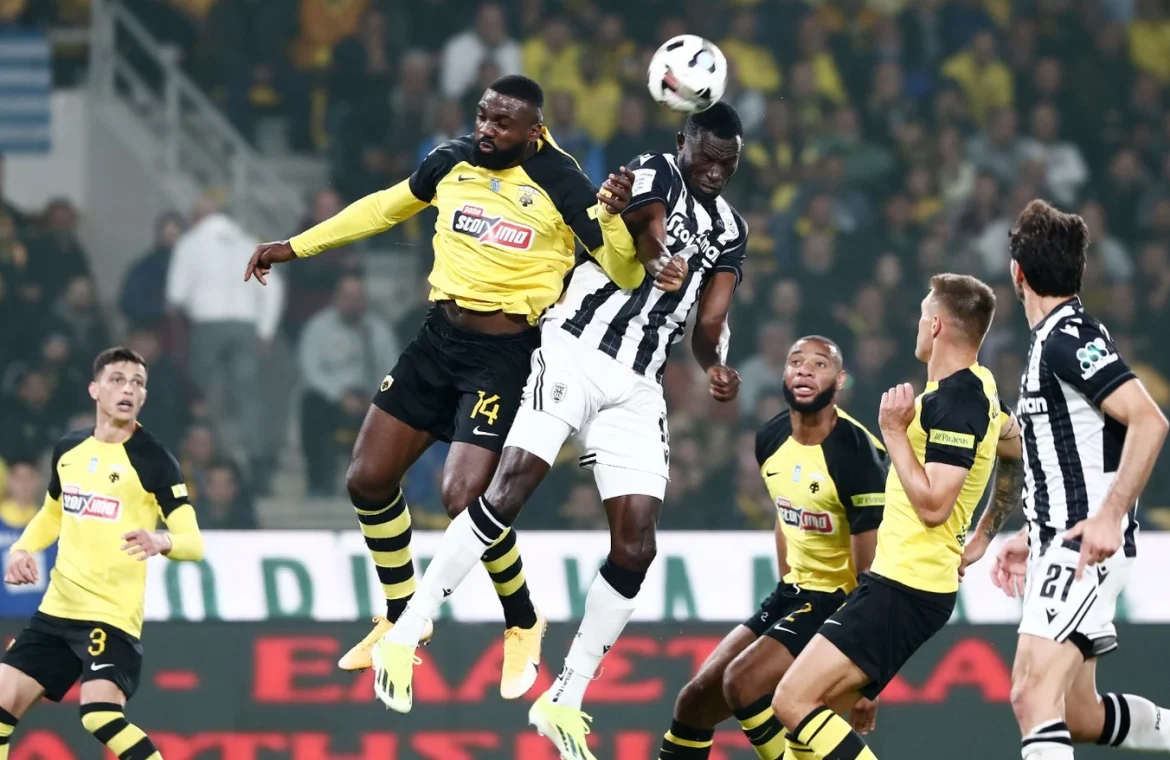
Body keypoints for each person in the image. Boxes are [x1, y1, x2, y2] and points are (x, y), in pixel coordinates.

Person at [244, 74, 673, 699]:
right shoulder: (451, 160)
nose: (486, 130)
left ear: (535, 131)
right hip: (438, 339)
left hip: (507, 354)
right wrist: (295, 246)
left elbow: (624, 270)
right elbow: (383, 208)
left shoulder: (562, 180)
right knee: (366, 479)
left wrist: (612, 219)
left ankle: (523, 621)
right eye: (482, 116)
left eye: (502, 123)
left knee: (463, 495)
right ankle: (401, 616)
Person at [370, 103, 745, 759]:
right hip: (575, 346)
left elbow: (710, 320)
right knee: (510, 486)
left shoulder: (733, 229)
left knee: (637, 546)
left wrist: (715, 363)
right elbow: (646, 229)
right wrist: (661, 259)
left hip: (638, 382)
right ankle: (407, 630)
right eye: (707, 156)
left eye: (728, 163)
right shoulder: (652, 169)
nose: (715, 171)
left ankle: (564, 697)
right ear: (683, 142)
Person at [770, 274, 1022, 760]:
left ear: (936, 325)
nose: (917, 325)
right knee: (809, 726)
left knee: (791, 700)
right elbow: (1016, 451)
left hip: (907, 584)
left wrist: (894, 432)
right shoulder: (982, 389)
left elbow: (934, 507)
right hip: (906, 582)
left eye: (923, 315)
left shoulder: (956, 402)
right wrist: (983, 535)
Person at [962, 200, 1170, 759]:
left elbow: (1149, 421)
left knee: (1031, 696)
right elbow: (1077, 452)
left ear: (1017, 273)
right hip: (1059, 542)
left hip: (1082, 549)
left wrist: (1108, 517)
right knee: (1078, 714)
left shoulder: (1067, 339)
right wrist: (1032, 532)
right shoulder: (1056, 339)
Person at [658, 336, 887, 760]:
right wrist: (786, 591)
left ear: (839, 380)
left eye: (819, 364)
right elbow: (785, 518)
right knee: (694, 703)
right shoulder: (770, 437)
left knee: (742, 682)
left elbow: (872, 575)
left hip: (839, 604)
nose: (805, 370)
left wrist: (869, 677)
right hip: (793, 594)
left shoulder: (858, 455)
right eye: (796, 361)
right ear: (783, 374)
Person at [0, 347, 205, 760]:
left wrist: (162, 540)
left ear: (144, 396)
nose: (128, 389)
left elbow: (193, 542)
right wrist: (21, 548)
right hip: (57, 611)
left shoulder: (154, 460)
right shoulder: (68, 450)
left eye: (137, 383)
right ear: (95, 389)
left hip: (110, 616)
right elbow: (52, 514)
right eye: (117, 379)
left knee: (99, 715)